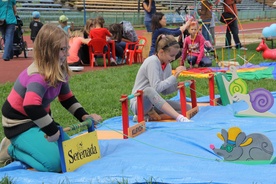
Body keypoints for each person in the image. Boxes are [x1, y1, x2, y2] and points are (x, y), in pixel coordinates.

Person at [0, 24, 102, 172]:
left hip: (38, 118)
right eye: (62, 49)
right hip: (19, 124)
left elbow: (67, 98)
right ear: (48, 51)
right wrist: (52, 131)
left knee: (71, 155)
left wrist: (84, 116)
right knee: (56, 164)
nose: (67, 53)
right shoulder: (37, 76)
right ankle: (12, 149)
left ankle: (32, 143)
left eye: (67, 48)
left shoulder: (60, 70)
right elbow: (31, 106)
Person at [130, 34, 192, 122]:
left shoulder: (167, 65)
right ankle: (179, 117)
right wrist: (174, 77)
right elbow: (156, 88)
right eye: (171, 55)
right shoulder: (152, 61)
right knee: (149, 90)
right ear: (161, 52)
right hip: (139, 103)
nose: (173, 58)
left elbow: (165, 91)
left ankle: (147, 117)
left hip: (153, 103)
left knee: (187, 108)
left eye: (175, 55)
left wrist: (177, 85)